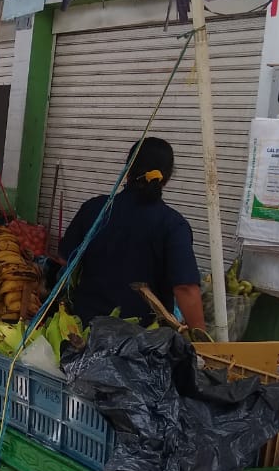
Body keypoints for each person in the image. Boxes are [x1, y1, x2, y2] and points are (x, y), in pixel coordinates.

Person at [59, 136, 205, 330]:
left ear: (127, 170)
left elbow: (64, 260)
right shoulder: (173, 225)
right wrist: (202, 340)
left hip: (84, 331)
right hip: (141, 344)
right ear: (167, 177)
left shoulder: (94, 209)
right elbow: (185, 288)